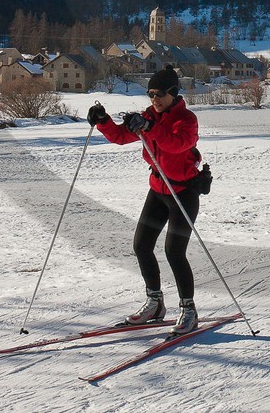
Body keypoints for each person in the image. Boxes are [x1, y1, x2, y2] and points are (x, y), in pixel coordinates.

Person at [86, 64, 203, 335]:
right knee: (141, 245)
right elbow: (120, 136)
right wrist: (103, 121)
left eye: (160, 94)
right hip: (158, 190)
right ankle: (155, 303)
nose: (155, 99)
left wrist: (150, 127)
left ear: (173, 93)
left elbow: (177, 145)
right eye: (151, 94)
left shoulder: (187, 119)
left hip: (183, 193)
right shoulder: (147, 117)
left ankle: (189, 310)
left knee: (174, 252)